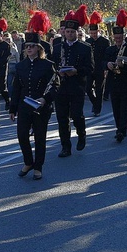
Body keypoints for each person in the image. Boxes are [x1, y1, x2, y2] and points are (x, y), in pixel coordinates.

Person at [9, 32, 60, 180]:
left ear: (38, 48)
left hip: (41, 107)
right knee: (22, 135)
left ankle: (38, 167)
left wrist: (45, 99)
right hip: (24, 106)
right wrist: (12, 109)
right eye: (27, 46)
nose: (29, 49)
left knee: (39, 137)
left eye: (32, 46)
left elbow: (55, 86)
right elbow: (17, 88)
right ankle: (28, 162)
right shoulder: (20, 66)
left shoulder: (48, 65)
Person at [51, 14, 93, 157]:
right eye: (67, 31)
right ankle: (65, 146)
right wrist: (58, 72)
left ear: (77, 32)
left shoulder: (85, 48)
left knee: (76, 115)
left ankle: (81, 133)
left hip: (77, 87)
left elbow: (90, 68)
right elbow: (52, 66)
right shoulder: (57, 48)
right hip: (61, 87)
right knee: (62, 118)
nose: (69, 34)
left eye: (72, 32)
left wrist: (76, 71)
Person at [104, 11, 127, 142]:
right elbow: (102, 62)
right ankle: (119, 127)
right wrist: (108, 64)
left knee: (124, 108)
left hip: (126, 82)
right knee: (116, 108)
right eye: (116, 37)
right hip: (113, 82)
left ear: (123, 36)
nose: (118, 39)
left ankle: (122, 130)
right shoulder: (109, 50)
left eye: (120, 37)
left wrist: (123, 65)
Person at [86, 14, 110, 117]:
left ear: (98, 31)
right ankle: (95, 103)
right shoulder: (87, 42)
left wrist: (105, 68)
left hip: (100, 69)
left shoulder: (105, 42)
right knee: (88, 89)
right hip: (90, 69)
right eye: (91, 33)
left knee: (99, 90)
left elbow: (107, 56)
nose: (93, 35)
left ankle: (97, 110)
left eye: (95, 33)